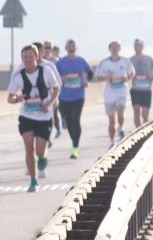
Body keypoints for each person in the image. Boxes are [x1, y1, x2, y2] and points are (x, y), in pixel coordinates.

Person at [7, 44, 60, 192]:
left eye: (31, 56)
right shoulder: (18, 76)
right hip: (27, 116)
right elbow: (9, 98)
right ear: (22, 59)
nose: (28, 59)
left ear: (37, 57)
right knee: (29, 148)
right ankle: (33, 180)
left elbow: (56, 88)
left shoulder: (46, 71)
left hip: (44, 117)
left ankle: (42, 158)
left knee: (39, 151)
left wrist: (49, 103)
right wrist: (17, 98)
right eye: (25, 57)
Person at [55, 39, 94, 159]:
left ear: (76, 47)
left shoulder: (82, 61)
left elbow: (91, 74)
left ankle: (75, 147)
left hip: (78, 96)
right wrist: (62, 78)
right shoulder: (60, 63)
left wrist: (87, 81)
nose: (71, 47)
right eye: (69, 45)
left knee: (75, 120)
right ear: (65, 48)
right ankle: (66, 123)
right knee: (69, 121)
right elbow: (53, 78)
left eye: (73, 45)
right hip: (64, 97)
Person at [94, 40, 135, 146]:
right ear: (109, 49)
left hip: (121, 91)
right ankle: (112, 142)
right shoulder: (104, 63)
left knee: (121, 108)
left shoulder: (126, 61)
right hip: (109, 94)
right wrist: (105, 77)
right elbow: (97, 77)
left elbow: (132, 72)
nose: (115, 49)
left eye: (117, 47)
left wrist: (127, 77)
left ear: (120, 48)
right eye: (112, 47)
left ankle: (121, 128)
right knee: (111, 121)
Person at [129, 38, 153, 127]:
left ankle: (145, 132)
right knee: (136, 113)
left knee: (145, 115)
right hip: (135, 89)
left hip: (146, 90)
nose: (137, 47)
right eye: (135, 45)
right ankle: (137, 133)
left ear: (143, 47)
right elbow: (125, 72)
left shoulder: (148, 58)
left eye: (139, 45)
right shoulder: (130, 60)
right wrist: (130, 76)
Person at [43, 40, 62, 139]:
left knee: (54, 113)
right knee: (46, 114)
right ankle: (47, 137)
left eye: (49, 48)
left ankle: (58, 128)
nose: (47, 49)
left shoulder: (55, 61)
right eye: (45, 47)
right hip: (42, 92)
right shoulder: (39, 60)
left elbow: (60, 76)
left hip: (53, 90)